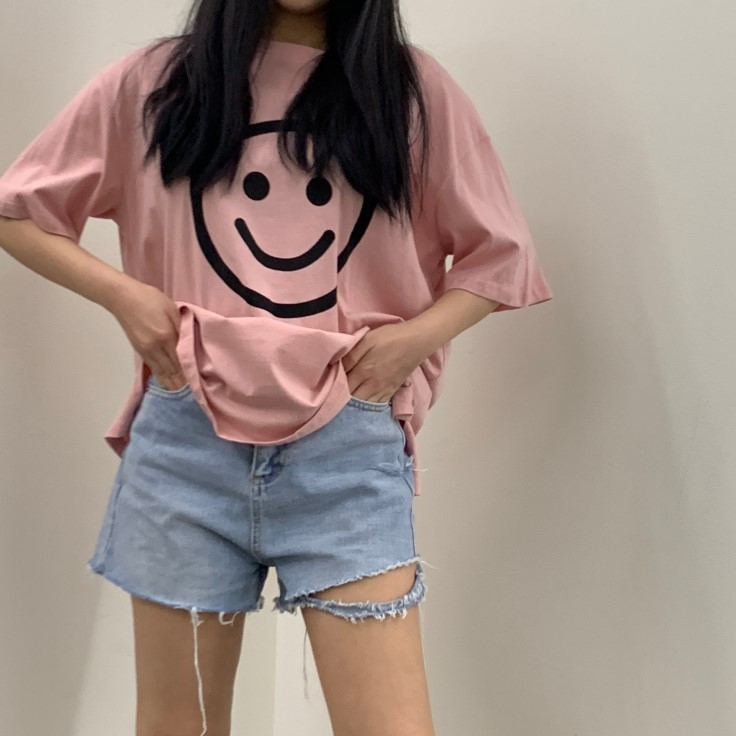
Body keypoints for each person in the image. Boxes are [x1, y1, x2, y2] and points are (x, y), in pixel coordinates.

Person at [0, 0, 554, 734]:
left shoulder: (409, 91)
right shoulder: (155, 83)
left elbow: (500, 255)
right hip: (185, 448)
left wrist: (411, 341)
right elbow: (19, 212)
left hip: (346, 453)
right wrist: (125, 297)